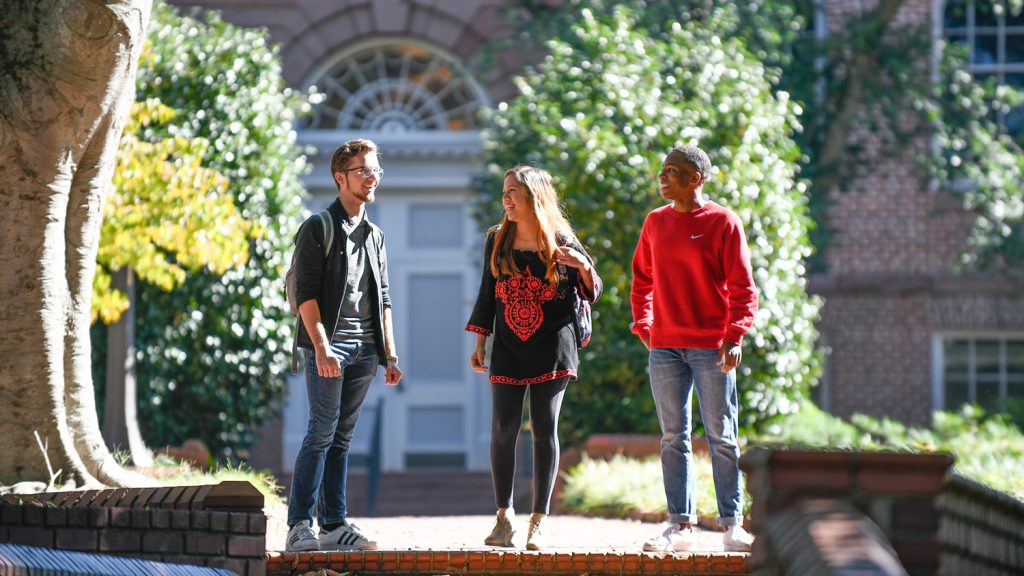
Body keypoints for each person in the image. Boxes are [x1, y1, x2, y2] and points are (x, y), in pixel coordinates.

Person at [466, 165, 602, 551]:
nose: (506, 198)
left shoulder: (560, 239)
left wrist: (582, 265)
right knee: (503, 427)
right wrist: (480, 343)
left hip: (554, 346)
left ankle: (538, 522)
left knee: (545, 427)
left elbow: (593, 291)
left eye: (513, 192)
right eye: (504, 192)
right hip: (508, 345)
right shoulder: (497, 238)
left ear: (534, 196)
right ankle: (503, 517)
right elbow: (487, 293)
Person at [630, 145, 757, 553]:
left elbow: (743, 288)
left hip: (711, 348)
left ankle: (732, 525)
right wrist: (645, 325)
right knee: (673, 436)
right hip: (665, 347)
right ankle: (680, 526)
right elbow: (641, 279)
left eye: (673, 171)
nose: (663, 177)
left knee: (722, 436)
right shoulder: (655, 222)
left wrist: (735, 336)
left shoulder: (723, 222)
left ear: (695, 179)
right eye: (662, 170)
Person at [285, 138, 403, 552]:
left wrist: (389, 354)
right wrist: (320, 347)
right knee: (321, 430)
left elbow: (383, 297)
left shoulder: (375, 235)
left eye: (375, 171)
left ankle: (334, 523)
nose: (372, 178)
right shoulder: (318, 227)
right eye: (363, 171)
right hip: (330, 346)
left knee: (343, 437)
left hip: (366, 349)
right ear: (340, 177)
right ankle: (300, 524)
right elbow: (306, 295)